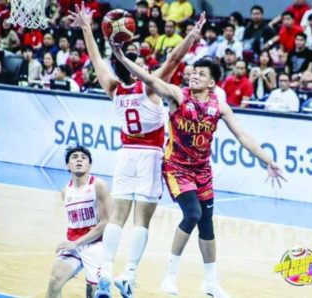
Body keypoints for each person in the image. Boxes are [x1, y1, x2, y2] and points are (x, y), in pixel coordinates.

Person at [108, 48, 286, 297]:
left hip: (202, 171)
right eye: (193, 73)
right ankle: (169, 274)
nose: (194, 77)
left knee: (207, 226)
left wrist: (268, 160)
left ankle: (211, 282)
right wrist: (124, 60)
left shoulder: (219, 107)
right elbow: (150, 80)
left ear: (212, 82)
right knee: (192, 213)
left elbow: (242, 136)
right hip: (176, 168)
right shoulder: (178, 95)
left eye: (201, 74)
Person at [69, 5, 208, 297]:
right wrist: (192, 36)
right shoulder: (150, 88)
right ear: (137, 69)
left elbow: (95, 59)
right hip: (150, 156)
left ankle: (104, 269)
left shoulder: (114, 89)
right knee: (141, 221)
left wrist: (86, 28)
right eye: (141, 63)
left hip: (125, 155)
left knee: (117, 217)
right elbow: (174, 58)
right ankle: (129, 274)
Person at [45, 146, 111, 298]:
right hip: (74, 243)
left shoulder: (98, 185)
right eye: (74, 157)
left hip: (96, 243)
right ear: (68, 165)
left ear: (89, 165)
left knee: (94, 293)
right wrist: (74, 243)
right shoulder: (65, 191)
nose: (79, 159)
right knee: (55, 280)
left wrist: (77, 243)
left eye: (83, 157)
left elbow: (106, 222)